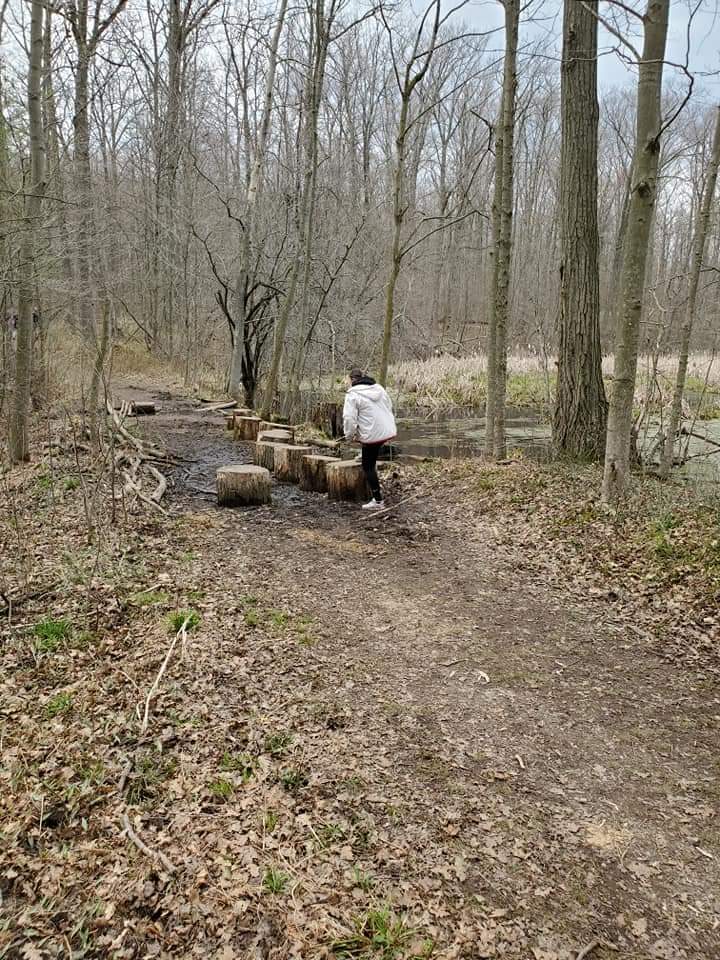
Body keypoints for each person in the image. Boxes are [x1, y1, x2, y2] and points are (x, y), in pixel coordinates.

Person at [342, 367, 397, 509]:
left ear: (351, 380)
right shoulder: (378, 388)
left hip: (372, 434)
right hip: (386, 430)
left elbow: (349, 418)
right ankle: (375, 492)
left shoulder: (352, 395)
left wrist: (349, 436)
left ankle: (378, 500)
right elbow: (388, 406)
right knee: (370, 458)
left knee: (368, 466)